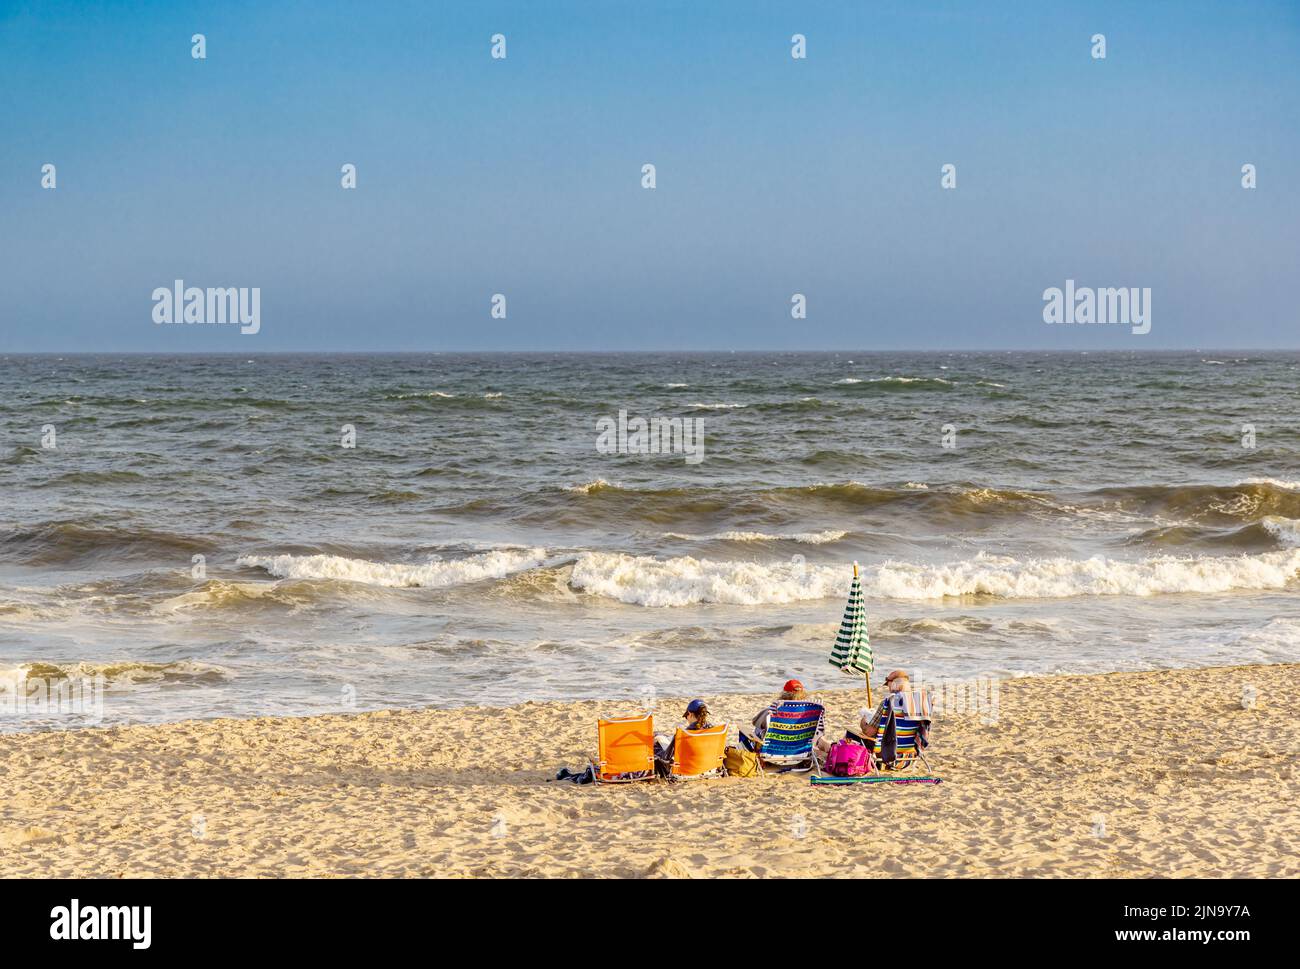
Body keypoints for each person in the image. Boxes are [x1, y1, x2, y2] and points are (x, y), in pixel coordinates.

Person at [740, 678, 806, 752]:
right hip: (800, 750)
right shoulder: (809, 710)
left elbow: (755, 722)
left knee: (757, 728)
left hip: (773, 750)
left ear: (784, 693)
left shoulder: (776, 707)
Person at [653, 699, 713, 778]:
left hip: (687, 769)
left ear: (690, 714)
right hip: (708, 766)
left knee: (657, 748)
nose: (687, 719)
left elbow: (666, 758)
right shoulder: (713, 731)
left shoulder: (684, 734)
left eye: (686, 716)